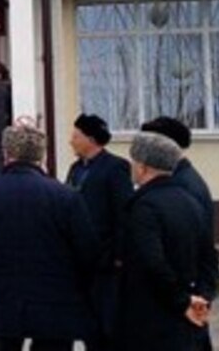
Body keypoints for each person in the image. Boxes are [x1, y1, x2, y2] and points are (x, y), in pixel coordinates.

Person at [0, 120, 98, 351]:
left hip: (2, 301)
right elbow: (88, 252)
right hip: (55, 306)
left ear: (6, 153)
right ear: (41, 156)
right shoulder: (66, 197)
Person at [117, 132, 217, 351]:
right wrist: (201, 298)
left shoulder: (144, 207)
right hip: (187, 324)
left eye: (134, 161)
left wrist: (182, 301)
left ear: (143, 167)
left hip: (152, 321)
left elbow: (152, 262)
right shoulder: (191, 202)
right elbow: (209, 259)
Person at [64, 113, 133, 351]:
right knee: (85, 324)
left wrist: (117, 257)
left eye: (76, 135)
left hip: (105, 262)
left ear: (90, 139)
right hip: (78, 261)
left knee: (106, 325)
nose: (71, 140)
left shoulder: (116, 168)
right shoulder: (75, 169)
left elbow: (124, 215)